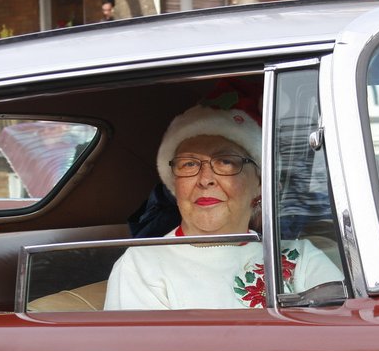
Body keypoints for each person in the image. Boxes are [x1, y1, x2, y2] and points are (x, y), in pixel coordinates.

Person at [104, 85, 341, 310]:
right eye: (189, 164)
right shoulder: (141, 265)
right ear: (175, 185)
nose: (205, 179)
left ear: (259, 184)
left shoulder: (300, 257)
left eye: (226, 162)